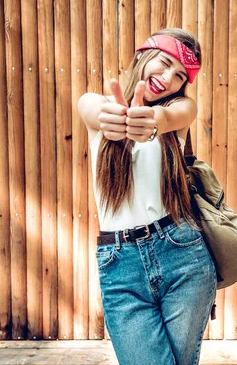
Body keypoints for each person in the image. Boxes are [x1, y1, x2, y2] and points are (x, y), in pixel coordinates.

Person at [77, 28, 216, 365]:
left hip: (182, 256)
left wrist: (148, 123)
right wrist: (117, 121)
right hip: (120, 264)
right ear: (143, 56)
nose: (168, 78)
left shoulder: (182, 109)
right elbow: (95, 110)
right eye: (164, 63)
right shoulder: (94, 104)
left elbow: (165, 118)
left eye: (179, 75)